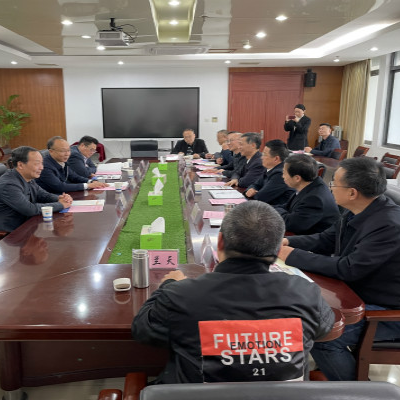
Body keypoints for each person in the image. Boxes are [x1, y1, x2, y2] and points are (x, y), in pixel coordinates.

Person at [277, 157, 400, 381]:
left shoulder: (388, 225)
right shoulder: (360, 209)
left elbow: (348, 268)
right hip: (365, 295)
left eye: (334, 184)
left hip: (395, 313)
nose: (330, 188)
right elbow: (326, 239)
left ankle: (359, 391)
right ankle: (332, 368)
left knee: (323, 335)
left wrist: (293, 256)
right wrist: (288, 242)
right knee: (306, 310)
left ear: (352, 192)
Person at [131, 201, 334, 384]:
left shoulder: (181, 295)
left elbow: (143, 329)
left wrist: (169, 285)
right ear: (278, 249)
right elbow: (324, 328)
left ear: (220, 242)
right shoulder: (306, 292)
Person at [0, 146, 72, 232]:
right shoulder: (9, 184)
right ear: (20, 165)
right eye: (37, 163)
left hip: (17, 230)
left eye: (42, 163)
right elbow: (30, 209)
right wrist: (61, 205)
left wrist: (59, 198)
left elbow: (43, 195)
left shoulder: (27, 177)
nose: (41, 167)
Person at [273, 154, 339, 234]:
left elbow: (291, 224)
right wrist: (269, 208)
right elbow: (287, 207)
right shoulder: (309, 185)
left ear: (297, 178)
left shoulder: (315, 199)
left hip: (312, 239)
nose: (282, 176)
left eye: (284, 173)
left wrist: (274, 211)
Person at [36, 136, 107, 193]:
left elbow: (74, 176)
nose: (67, 154)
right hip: (51, 198)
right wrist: (87, 185)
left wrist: (91, 181)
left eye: (68, 150)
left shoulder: (62, 161)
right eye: (63, 151)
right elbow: (60, 186)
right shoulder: (44, 166)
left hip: (63, 195)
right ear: (51, 151)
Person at [244, 139, 295, 205]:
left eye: (264, 155)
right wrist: (251, 190)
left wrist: (254, 192)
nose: (261, 157)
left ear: (276, 159)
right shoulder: (270, 169)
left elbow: (261, 197)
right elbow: (255, 184)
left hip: (277, 209)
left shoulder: (281, 174)